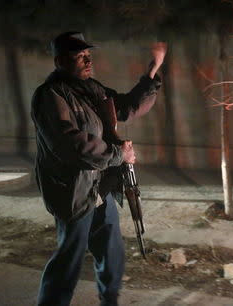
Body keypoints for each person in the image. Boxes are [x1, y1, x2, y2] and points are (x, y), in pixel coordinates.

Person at [31, 31, 166, 306]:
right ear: (60, 61)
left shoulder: (92, 90)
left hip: (100, 188)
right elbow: (71, 144)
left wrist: (152, 72)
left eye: (88, 55)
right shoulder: (51, 95)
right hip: (74, 192)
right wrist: (119, 154)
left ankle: (109, 301)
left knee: (112, 253)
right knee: (68, 262)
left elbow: (126, 107)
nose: (87, 60)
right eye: (79, 56)